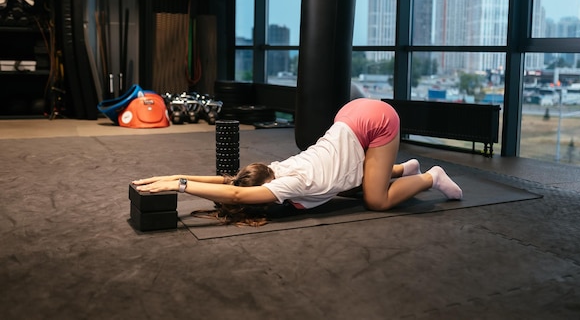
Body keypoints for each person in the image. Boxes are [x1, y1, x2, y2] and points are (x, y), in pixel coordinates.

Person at [133, 97, 463, 226]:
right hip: (349, 114)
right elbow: (230, 183)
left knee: (376, 200)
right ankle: (405, 169)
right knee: (352, 183)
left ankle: (430, 176)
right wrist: (173, 175)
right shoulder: (276, 167)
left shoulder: (290, 183)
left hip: (376, 121)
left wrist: (178, 184)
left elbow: (234, 194)